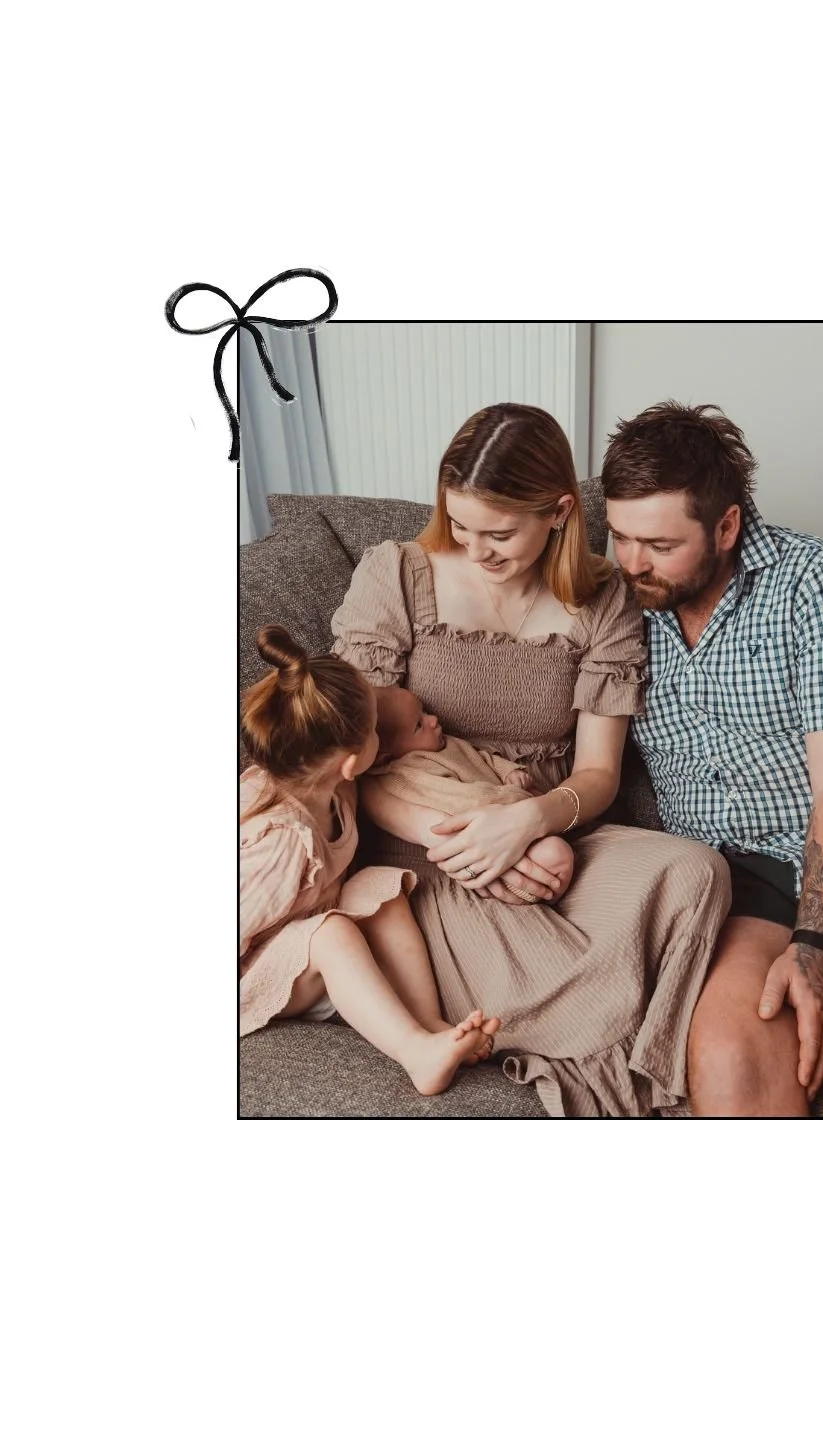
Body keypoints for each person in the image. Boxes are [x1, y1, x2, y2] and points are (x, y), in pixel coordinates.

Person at [331, 401, 731, 1119]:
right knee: (572, 966)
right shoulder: (397, 576)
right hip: (430, 841)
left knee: (696, 873)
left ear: (559, 513)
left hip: (550, 833)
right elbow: (348, 760)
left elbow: (599, 776)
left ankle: (625, 1029)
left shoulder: (603, 597)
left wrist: (525, 825)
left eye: (500, 531)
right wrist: (456, 838)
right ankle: (615, 1044)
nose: (475, 548)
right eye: (459, 524)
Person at [601, 402, 823, 1118]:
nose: (633, 563)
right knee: (731, 1057)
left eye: (660, 545)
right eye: (619, 537)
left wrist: (815, 944)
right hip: (732, 883)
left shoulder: (811, 582)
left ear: (727, 526)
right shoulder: (614, 606)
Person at [239, 624, 500, 1095]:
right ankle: (416, 1053)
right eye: (375, 730)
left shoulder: (335, 785)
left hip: (301, 933)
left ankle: (429, 1024)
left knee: (379, 888)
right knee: (332, 933)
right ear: (351, 761)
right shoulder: (278, 842)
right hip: (249, 978)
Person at [366, 685, 576, 901]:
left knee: (558, 847)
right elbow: (467, 802)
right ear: (385, 756)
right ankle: (529, 894)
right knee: (555, 855)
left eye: (424, 711)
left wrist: (508, 771)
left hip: (517, 815)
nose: (433, 720)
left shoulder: (444, 743)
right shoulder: (412, 771)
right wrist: (522, 801)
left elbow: (483, 758)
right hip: (487, 838)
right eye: (418, 725)